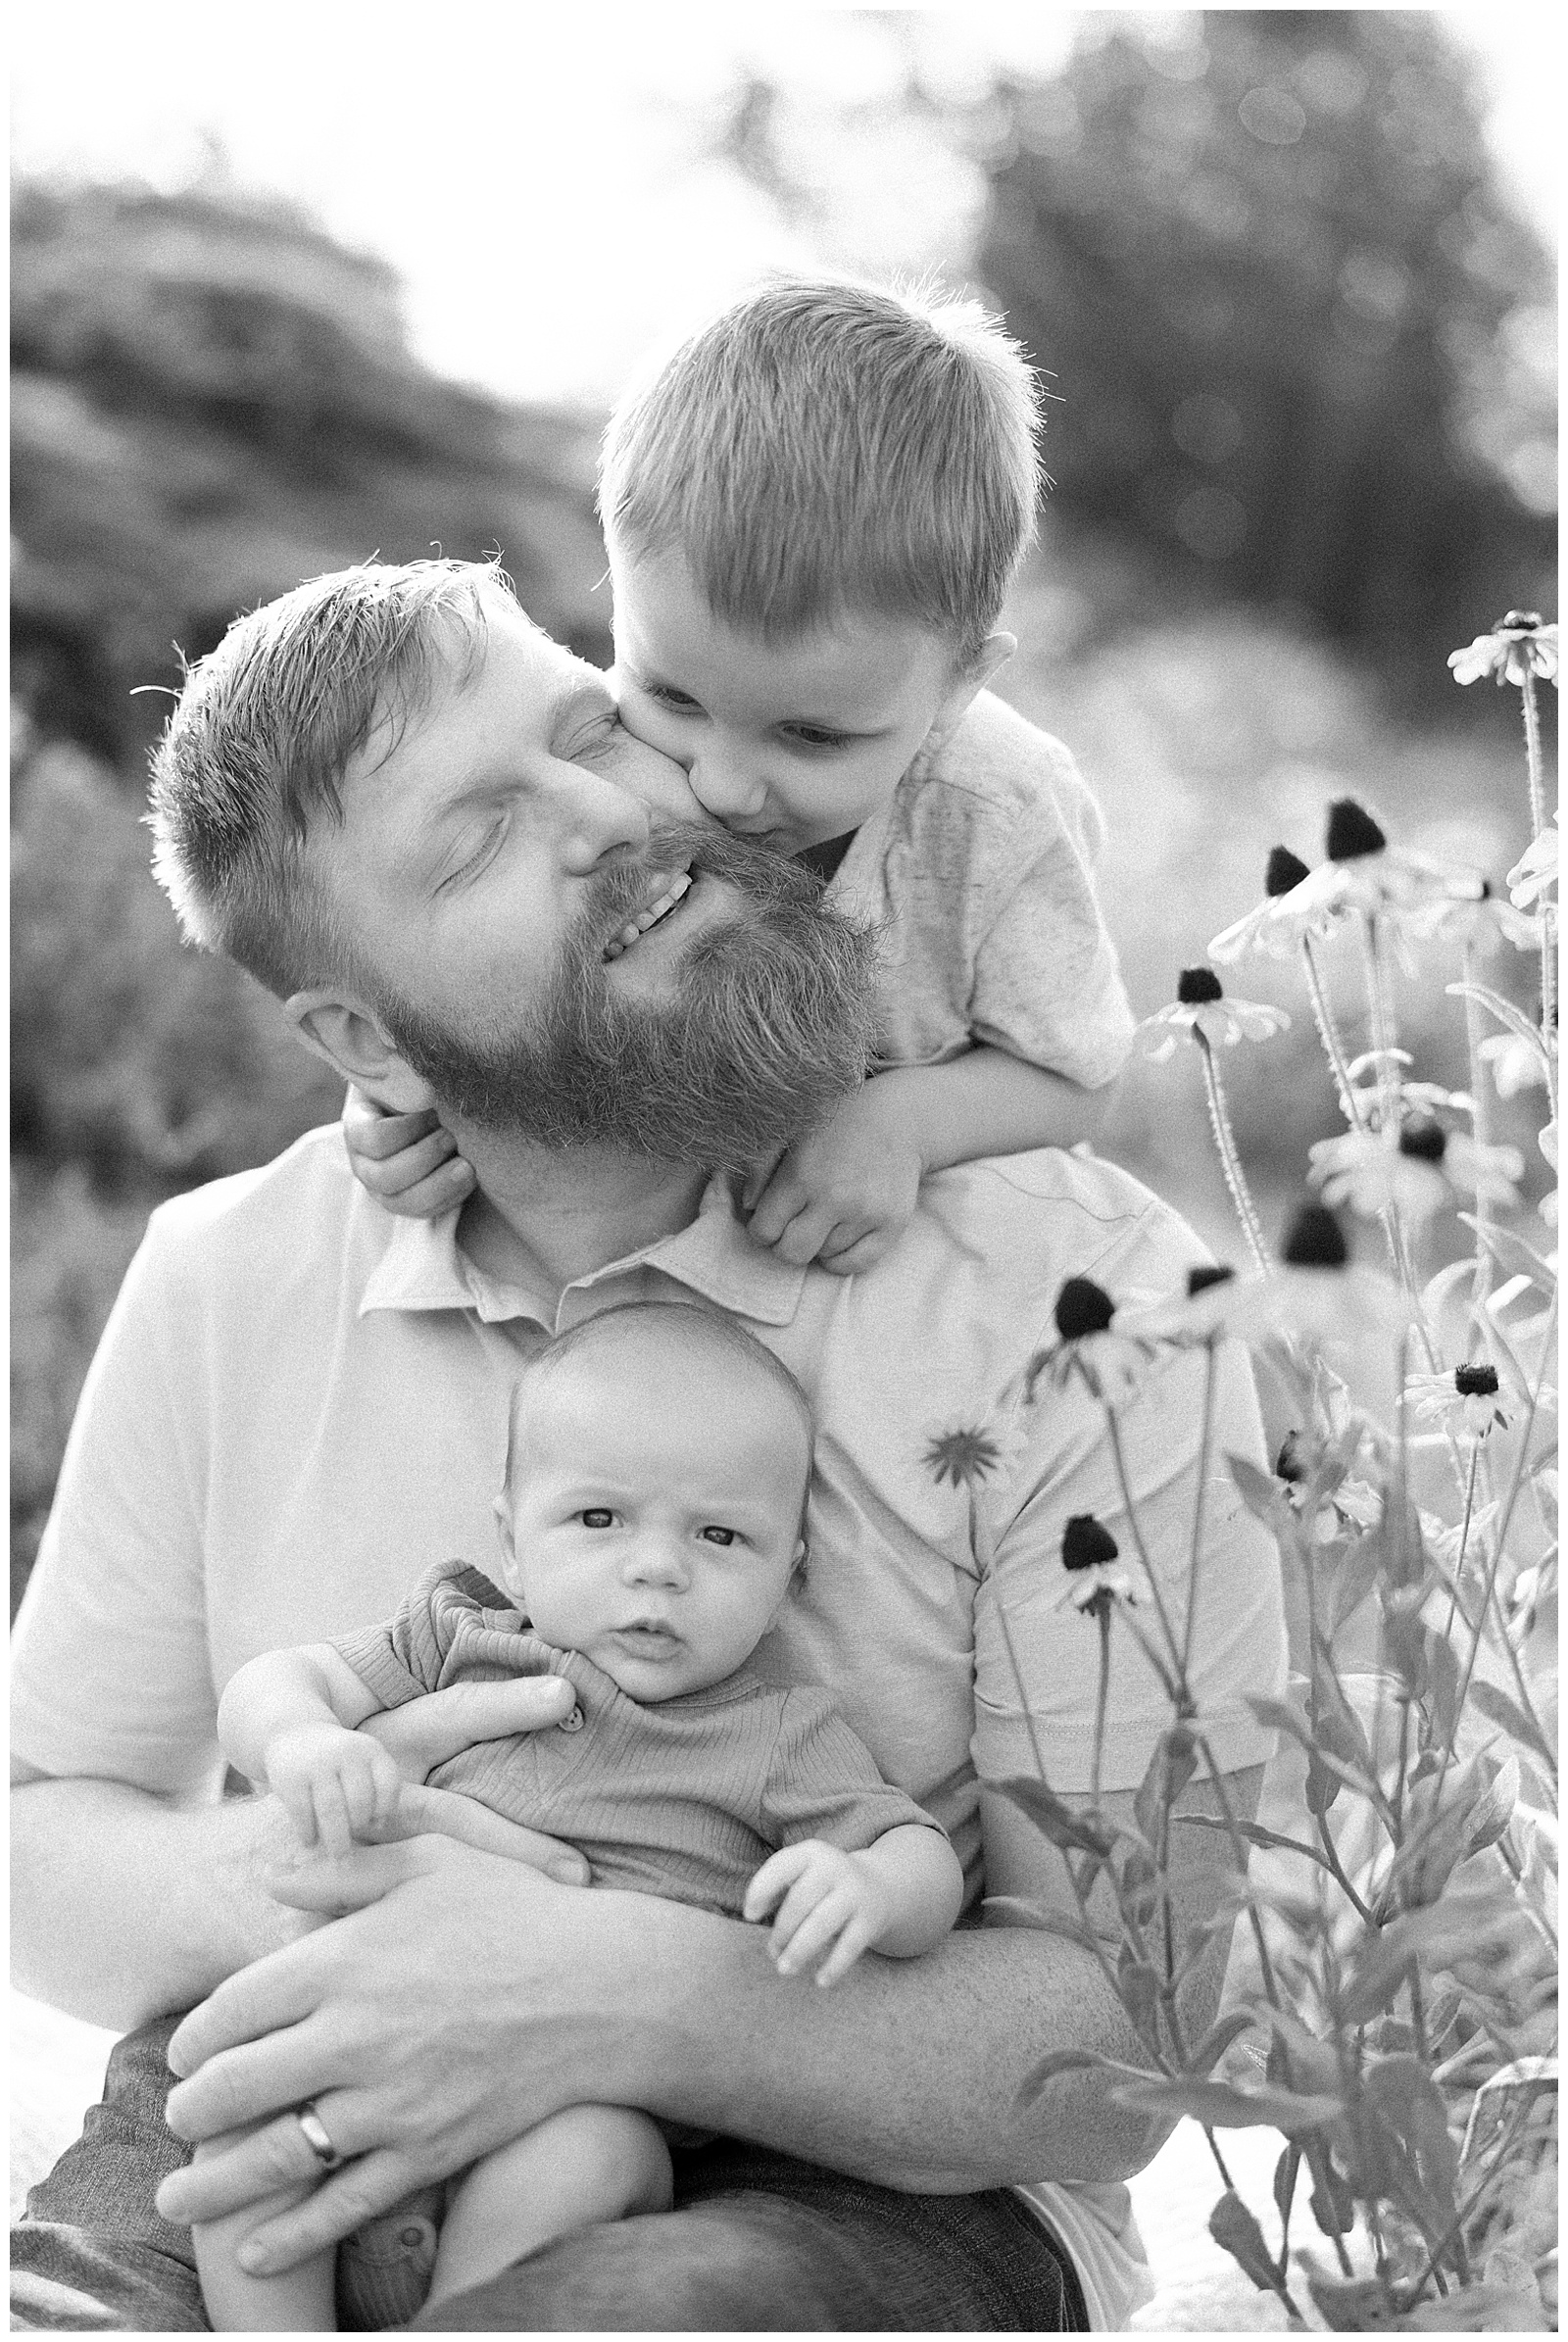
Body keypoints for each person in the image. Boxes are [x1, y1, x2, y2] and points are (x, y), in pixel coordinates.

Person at [11, 558, 1289, 2333]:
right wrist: (320, 1880)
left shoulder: (1079, 1301)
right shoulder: (234, 1276)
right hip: (304, 2088)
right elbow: (38, 1847)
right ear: (364, 1037)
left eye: (587, 725)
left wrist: (614, 1987)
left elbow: (1148, 2031)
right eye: (475, 840)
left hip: (862, 2191)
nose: (609, 813)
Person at [347, 276, 1136, 1277]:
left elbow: (1080, 1074)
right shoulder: (590, 766)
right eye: (672, 695)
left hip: (896, 1279)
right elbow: (495, 976)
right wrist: (403, 1102)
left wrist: (903, 1122)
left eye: (808, 735)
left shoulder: (998, 807)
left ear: (958, 682)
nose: (721, 786)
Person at [196, 1303, 963, 2328]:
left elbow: (919, 1852)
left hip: (557, 2123)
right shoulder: (459, 1634)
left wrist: (868, 1884)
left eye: (721, 1533)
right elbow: (278, 1678)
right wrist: (299, 1740)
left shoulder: (777, 1734)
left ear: (789, 1579)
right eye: (599, 1519)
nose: (657, 1566)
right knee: (231, 2119)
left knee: (598, 2150)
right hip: (359, 2057)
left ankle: (467, 2314)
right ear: (513, 1542)